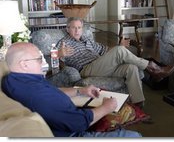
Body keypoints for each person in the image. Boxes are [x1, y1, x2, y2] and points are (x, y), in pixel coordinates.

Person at [1, 42, 142, 137]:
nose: (43, 63)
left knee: (130, 66)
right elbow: (79, 123)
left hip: (70, 116)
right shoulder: (37, 95)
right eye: (39, 59)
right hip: (74, 133)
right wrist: (106, 107)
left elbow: (53, 91)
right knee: (135, 136)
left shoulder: (15, 79)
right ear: (24, 64)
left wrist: (80, 91)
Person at [57, 17, 174, 106]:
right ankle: (152, 67)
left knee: (131, 67)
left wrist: (118, 45)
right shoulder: (64, 42)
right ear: (68, 29)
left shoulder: (87, 40)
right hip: (87, 69)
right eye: (73, 27)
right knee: (119, 50)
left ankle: (138, 103)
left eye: (79, 27)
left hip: (102, 66)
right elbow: (51, 59)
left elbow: (105, 50)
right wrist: (59, 54)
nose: (77, 30)